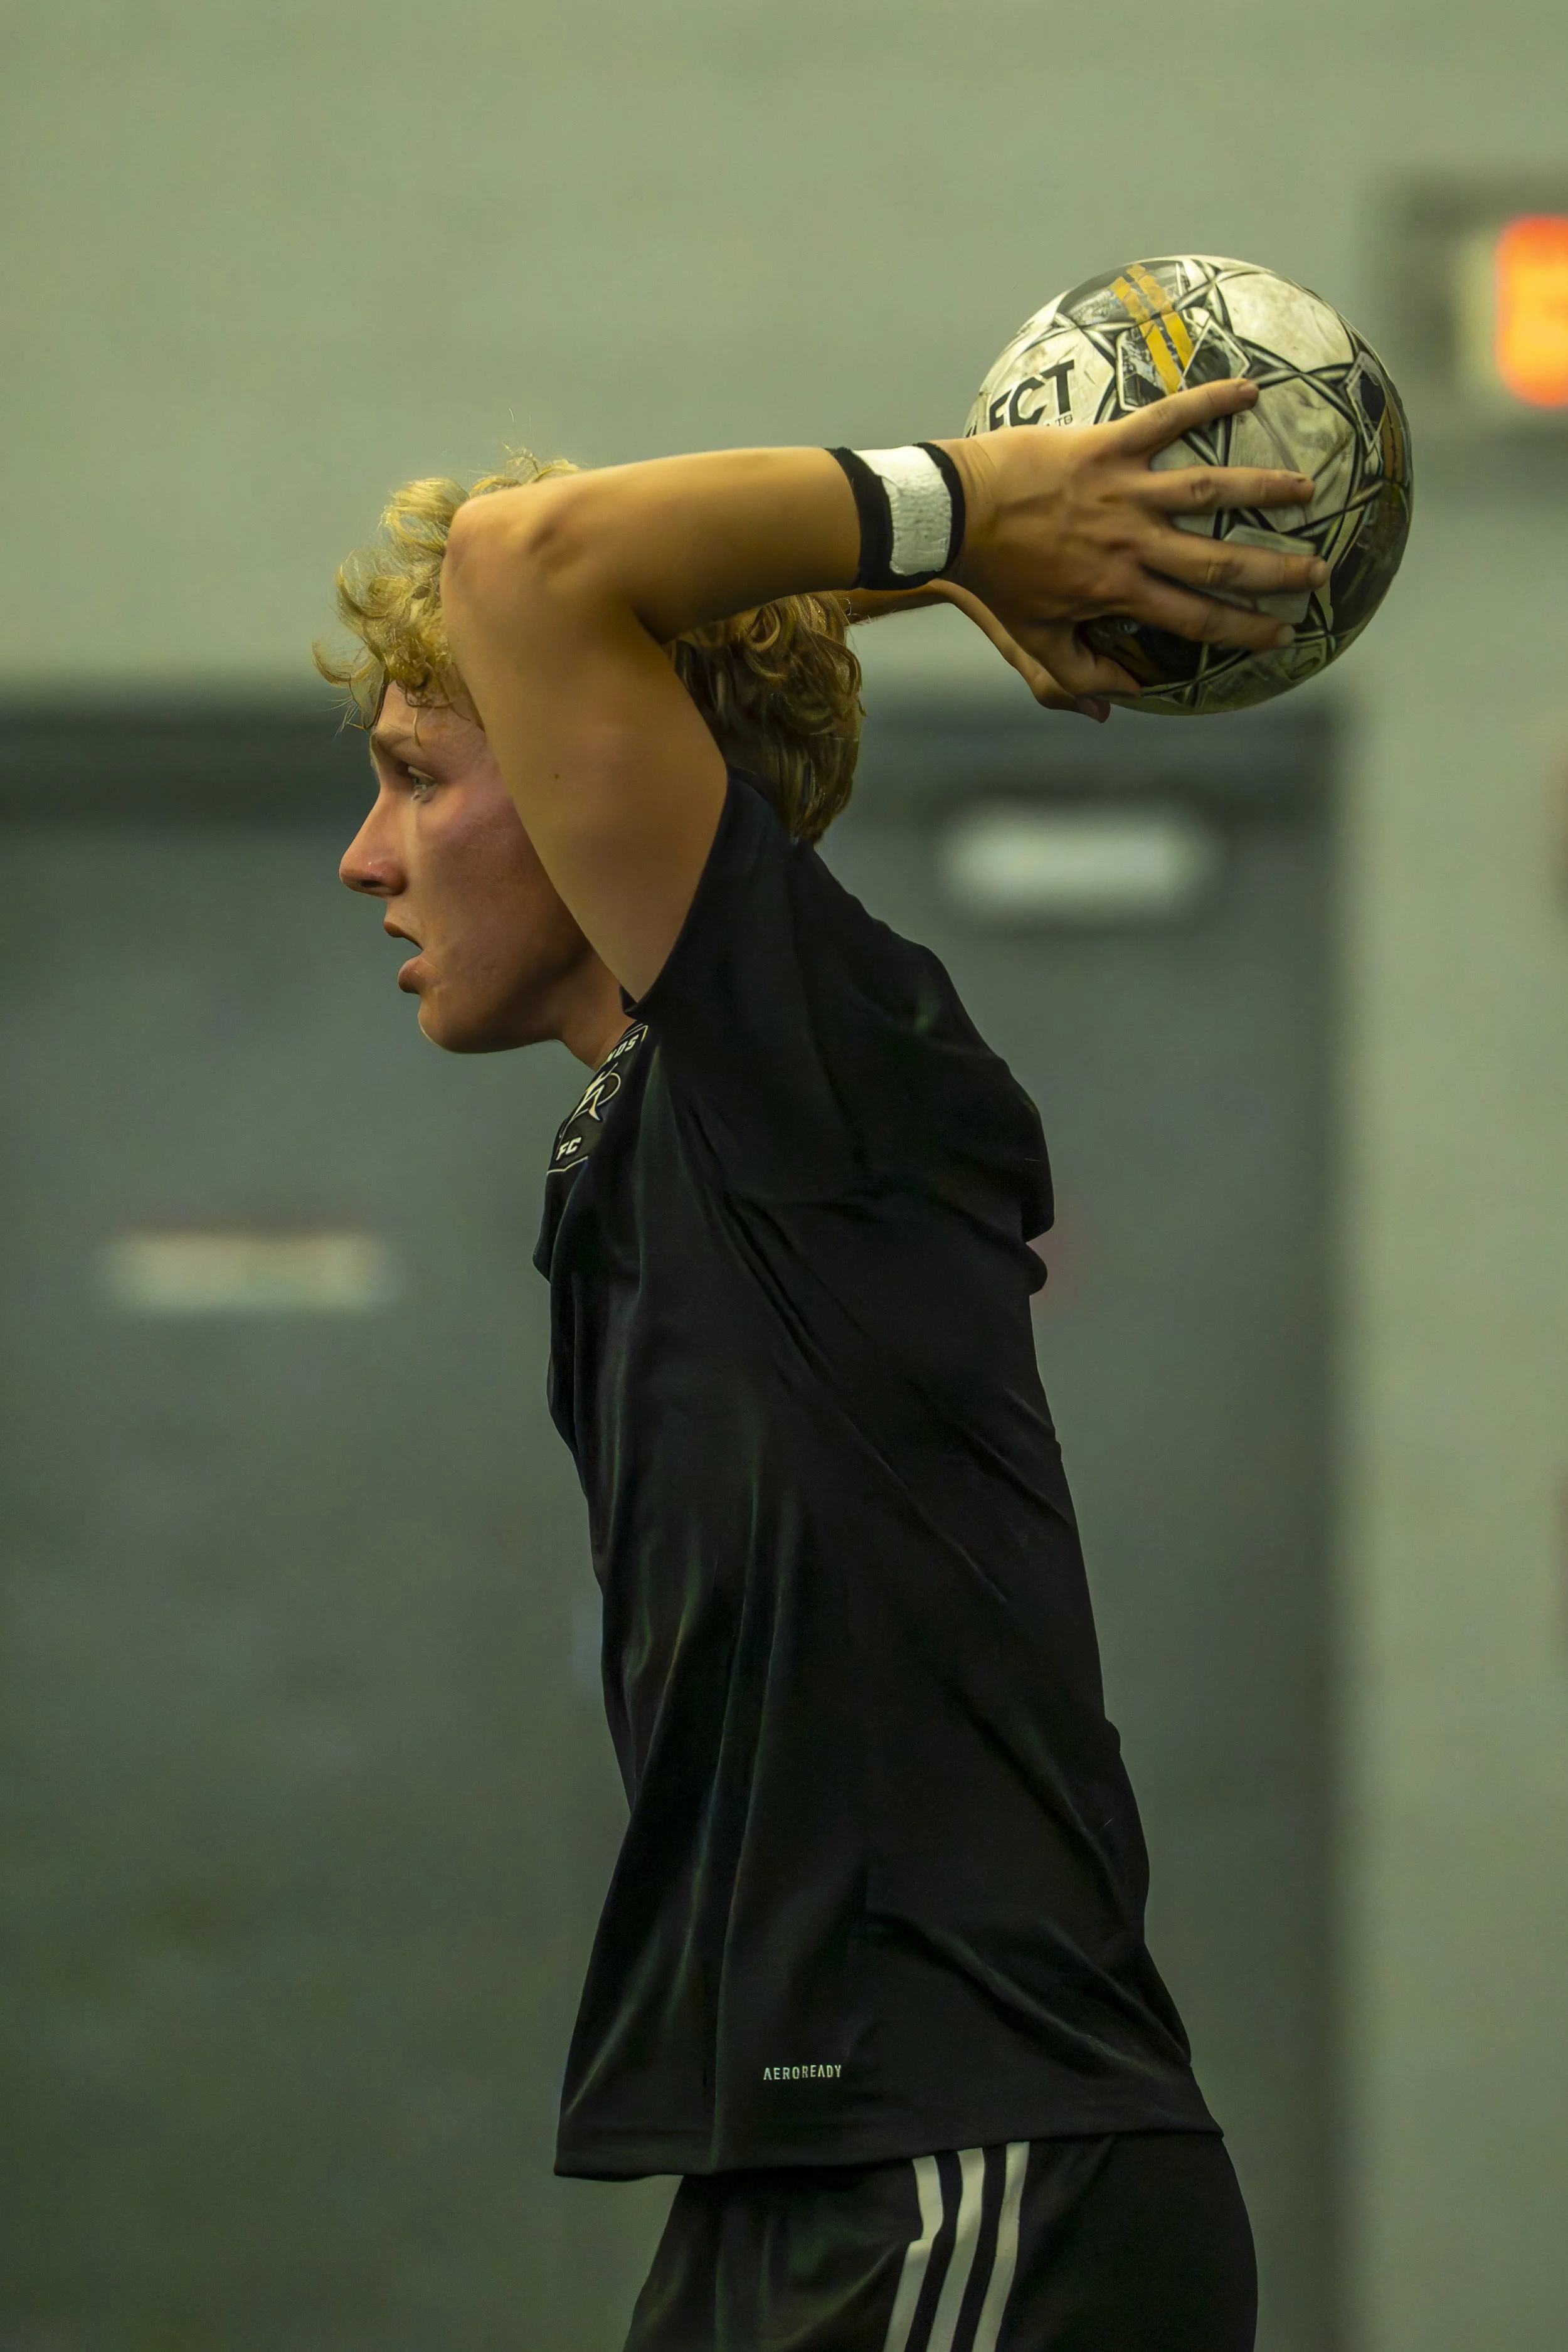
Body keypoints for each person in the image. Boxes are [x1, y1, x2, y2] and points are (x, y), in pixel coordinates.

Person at [326, 383, 1325, 2352]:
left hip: (962, 2169)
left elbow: (526, 569)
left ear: (577, 753)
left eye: (416, 775)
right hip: (804, 2185)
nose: (368, 855)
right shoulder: (659, 1121)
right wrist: (854, 601)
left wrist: (968, 509)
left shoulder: (807, 1071)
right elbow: (586, 624)